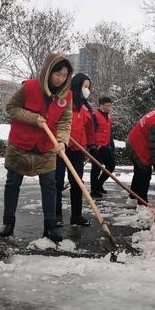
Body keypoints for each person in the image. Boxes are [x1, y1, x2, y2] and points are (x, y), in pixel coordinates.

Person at [0, 54, 72, 241]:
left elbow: (65, 120)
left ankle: (50, 226)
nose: (60, 79)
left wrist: (62, 140)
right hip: (20, 145)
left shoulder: (66, 95)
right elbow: (11, 107)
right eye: (57, 74)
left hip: (46, 146)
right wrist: (33, 118)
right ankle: (8, 223)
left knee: (50, 185)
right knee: (13, 184)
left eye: (64, 75)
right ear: (48, 72)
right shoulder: (29, 87)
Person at [55, 73, 96, 226]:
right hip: (61, 148)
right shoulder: (65, 100)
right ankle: (56, 217)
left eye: (89, 87)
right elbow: (56, 121)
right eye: (85, 86)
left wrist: (92, 145)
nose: (87, 89)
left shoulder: (85, 106)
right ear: (77, 85)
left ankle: (76, 216)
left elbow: (89, 128)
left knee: (77, 182)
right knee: (57, 182)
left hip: (78, 150)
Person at [90, 96, 116, 198]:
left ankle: (99, 184)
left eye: (110, 105)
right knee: (96, 168)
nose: (110, 107)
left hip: (105, 146)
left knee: (110, 166)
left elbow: (109, 133)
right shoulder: (94, 116)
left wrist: (112, 145)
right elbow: (90, 132)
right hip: (97, 147)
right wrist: (93, 146)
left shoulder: (108, 117)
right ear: (101, 105)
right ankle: (94, 190)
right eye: (107, 105)